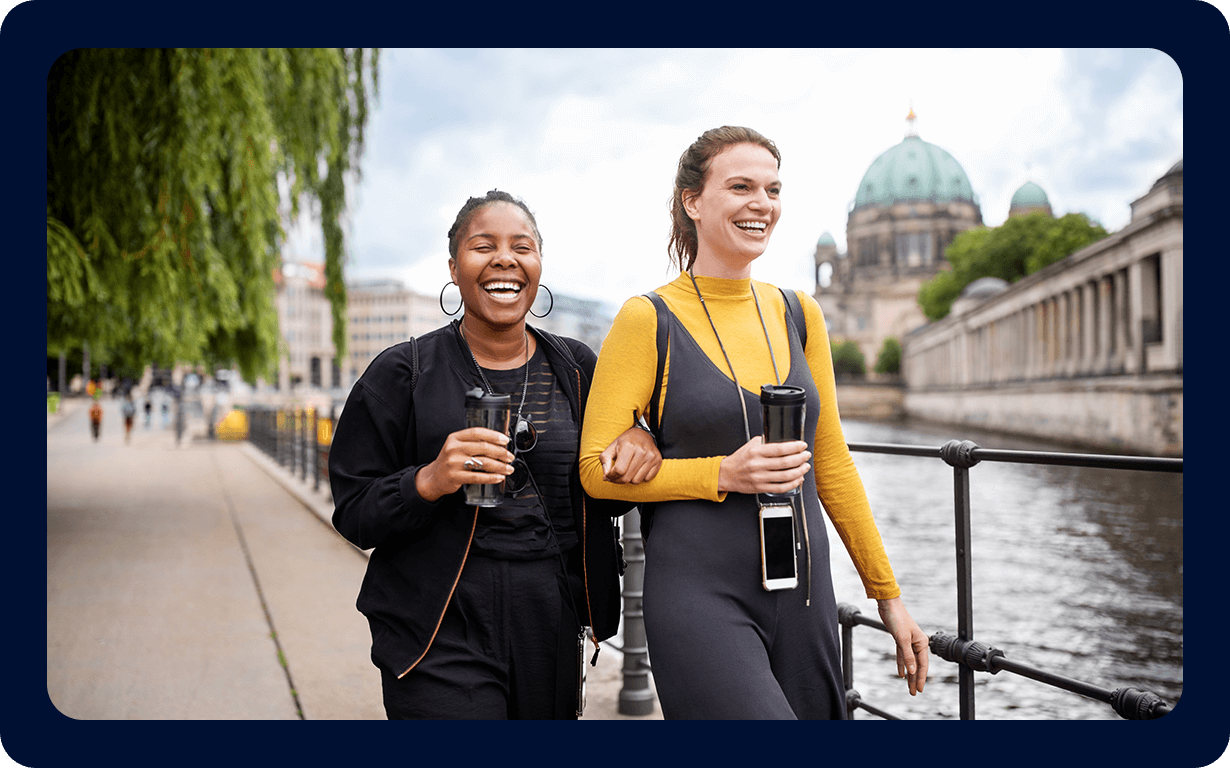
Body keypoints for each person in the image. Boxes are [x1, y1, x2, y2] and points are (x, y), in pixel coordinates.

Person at [578, 126, 929, 720]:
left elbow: (833, 461)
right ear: (693, 200)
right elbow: (594, 473)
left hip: (806, 592)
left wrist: (886, 594)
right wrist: (723, 472)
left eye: (772, 189)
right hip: (698, 593)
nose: (761, 204)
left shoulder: (800, 313)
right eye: (740, 186)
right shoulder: (648, 318)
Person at [329, 190, 661, 720]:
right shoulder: (402, 374)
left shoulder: (578, 369)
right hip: (438, 623)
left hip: (549, 621)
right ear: (455, 268)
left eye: (521, 247)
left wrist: (639, 439)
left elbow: (610, 487)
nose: (505, 259)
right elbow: (354, 513)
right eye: (484, 246)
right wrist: (429, 480)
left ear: (538, 266)